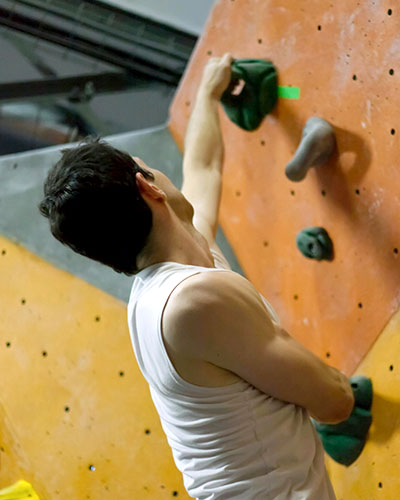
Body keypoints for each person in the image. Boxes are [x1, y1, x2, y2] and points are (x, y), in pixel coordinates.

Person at [39, 53, 354, 500]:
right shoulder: (195, 303)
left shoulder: (175, 274)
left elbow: (202, 171)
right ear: (147, 185)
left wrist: (210, 92)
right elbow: (335, 403)